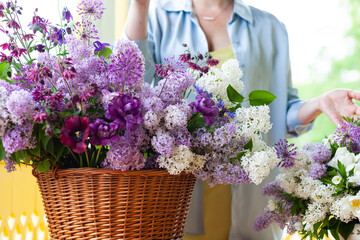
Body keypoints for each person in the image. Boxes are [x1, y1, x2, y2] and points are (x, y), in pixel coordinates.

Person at [124, 0, 360, 239]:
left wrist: (318, 103)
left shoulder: (270, 27)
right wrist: (139, 6)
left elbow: (279, 113)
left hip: (249, 194)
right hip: (180, 189)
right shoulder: (160, 17)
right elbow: (131, 88)